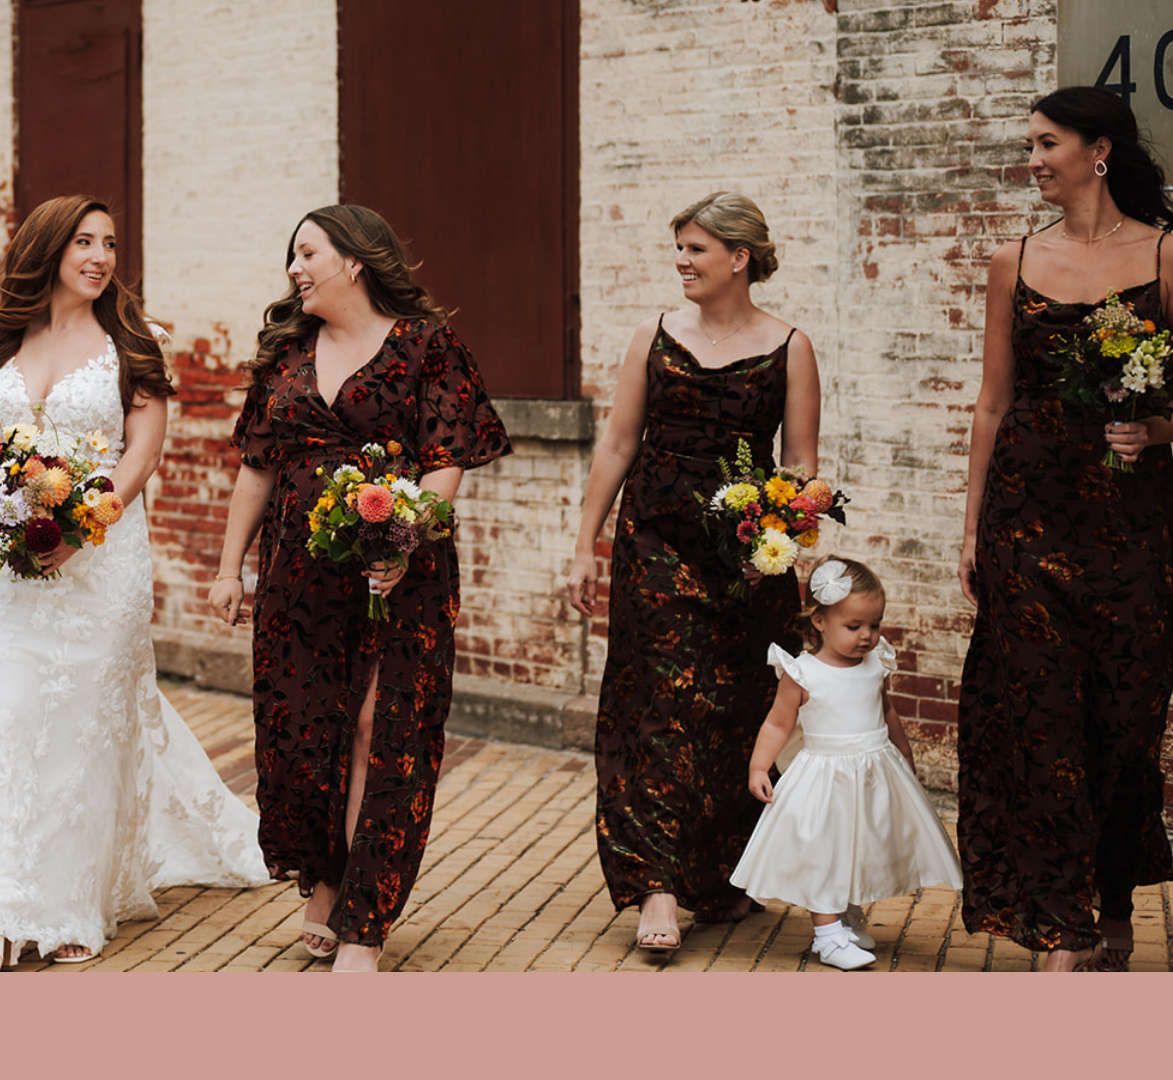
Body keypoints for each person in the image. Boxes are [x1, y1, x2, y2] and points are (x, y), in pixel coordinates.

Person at [0, 194, 270, 972]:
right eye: (83, 242)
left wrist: (81, 529)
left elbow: (141, 453)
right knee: (5, 721)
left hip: (100, 560)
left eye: (109, 243)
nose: (100, 256)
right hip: (2, 571)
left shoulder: (135, 342)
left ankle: (76, 900)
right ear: (48, 249)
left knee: (79, 728)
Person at [208, 204, 510, 972]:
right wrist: (227, 567)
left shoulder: (426, 347)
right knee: (305, 733)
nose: (294, 269)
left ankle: (365, 923)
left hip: (397, 572)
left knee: (385, 731)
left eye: (306, 253)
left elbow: (446, 457)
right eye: (291, 255)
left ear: (356, 260)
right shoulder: (286, 354)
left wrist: (409, 537)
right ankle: (326, 877)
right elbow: (256, 465)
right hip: (298, 581)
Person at [565, 192, 820, 953]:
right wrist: (587, 542)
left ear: (739, 258)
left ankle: (718, 874)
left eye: (695, 250)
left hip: (744, 560)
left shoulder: (790, 346)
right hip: (656, 545)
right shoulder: (654, 335)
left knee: (733, 711)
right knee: (657, 709)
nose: (680, 262)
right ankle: (659, 888)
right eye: (678, 249)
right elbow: (615, 444)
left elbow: (801, 465)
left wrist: (784, 540)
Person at [957, 86, 1173, 973]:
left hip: (1135, 526)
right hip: (1027, 520)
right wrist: (971, 529)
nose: (1034, 159)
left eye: (1049, 143)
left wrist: (1159, 429)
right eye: (1032, 145)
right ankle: (1062, 930)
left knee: (1124, 722)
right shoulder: (1013, 259)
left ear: (1101, 150)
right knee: (1038, 722)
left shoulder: (1166, 254)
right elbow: (993, 401)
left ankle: (1113, 897)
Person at [730, 558, 962, 970]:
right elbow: (777, 724)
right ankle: (827, 935)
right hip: (825, 776)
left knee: (862, 844)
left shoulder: (875, 663)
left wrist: (904, 751)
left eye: (874, 625)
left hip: (874, 772)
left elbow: (886, 711)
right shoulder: (802, 673)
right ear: (819, 620)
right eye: (854, 627)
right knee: (823, 850)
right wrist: (758, 768)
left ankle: (847, 913)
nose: (867, 636)